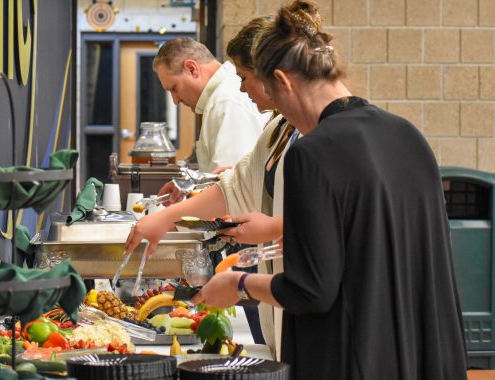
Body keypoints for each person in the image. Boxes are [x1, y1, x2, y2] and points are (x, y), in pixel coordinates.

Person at [191, 1, 468, 379]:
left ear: (283, 81)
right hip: (418, 354)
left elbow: (311, 291)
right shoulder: (406, 134)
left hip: (352, 357)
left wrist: (238, 284)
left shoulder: (313, 152)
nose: (284, 118)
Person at [126, 17, 296, 356]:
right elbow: (235, 180)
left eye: (246, 78)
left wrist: (272, 230)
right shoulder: (278, 126)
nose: (243, 88)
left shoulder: (230, 103)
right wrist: (184, 196)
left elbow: (239, 198)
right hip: (271, 260)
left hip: (278, 263)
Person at [152, 37, 268, 173]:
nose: (175, 101)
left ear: (191, 69)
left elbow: (229, 184)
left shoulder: (226, 100)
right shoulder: (220, 98)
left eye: (174, 88)